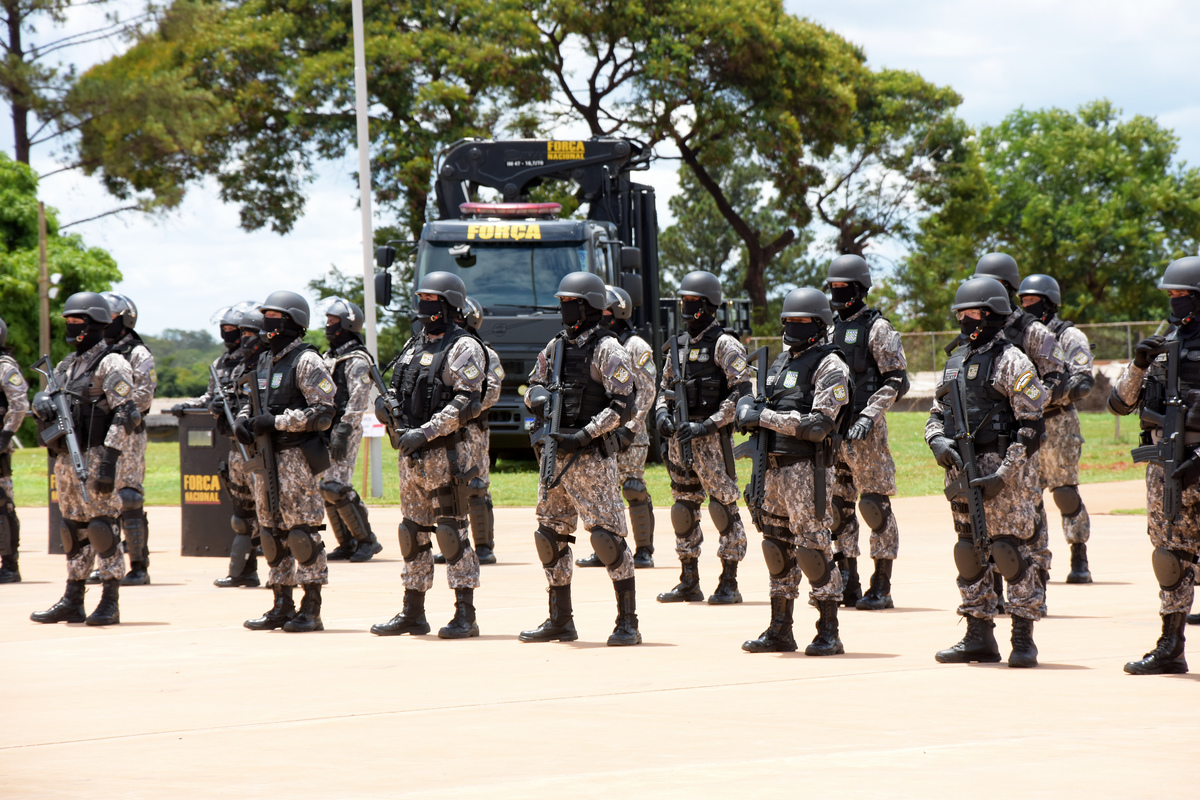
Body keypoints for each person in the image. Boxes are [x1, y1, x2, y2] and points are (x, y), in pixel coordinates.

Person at [926, 277, 1047, 667]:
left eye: (971, 313)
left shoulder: (1013, 360)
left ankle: (1023, 637)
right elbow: (935, 414)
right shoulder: (955, 362)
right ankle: (978, 634)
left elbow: (1032, 428)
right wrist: (937, 442)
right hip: (961, 469)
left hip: (1003, 473)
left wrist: (1004, 474)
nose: (964, 319)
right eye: (960, 313)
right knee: (969, 551)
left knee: (1009, 550)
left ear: (993, 315)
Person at [518, 271, 640, 646]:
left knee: (607, 539)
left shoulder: (609, 349)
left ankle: (627, 622)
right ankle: (560, 620)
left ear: (587, 306)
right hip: (554, 456)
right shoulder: (556, 346)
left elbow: (624, 403)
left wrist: (585, 434)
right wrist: (534, 398)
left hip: (589, 458)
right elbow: (532, 383)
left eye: (569, 302)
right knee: (549, 536)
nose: (562, 308)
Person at [737, 288, 852, 654]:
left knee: (813, 549)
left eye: (801, 322)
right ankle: (780, 629)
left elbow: (819, 424)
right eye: (788, 321)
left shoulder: (831, 364)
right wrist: (745, 406)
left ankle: (828, 631)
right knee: (776, 547)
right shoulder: (780, 361)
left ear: (819, 325)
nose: (792, 328)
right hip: (770, 466)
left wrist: (764, 417)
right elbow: (758, 399)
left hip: (807, 469)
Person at [371, 272, 485, 639]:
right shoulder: (413, 345)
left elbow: (467, 401)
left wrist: (426, 432)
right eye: (420, 298)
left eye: (431, 299)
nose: (424, 306)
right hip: (411, 458)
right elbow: (395, 390)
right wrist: (384, 410)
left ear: (449, 305)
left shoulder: (464, 347)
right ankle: (413, 612)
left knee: (452, 532)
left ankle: (465, 613)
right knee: (413, 532)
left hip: (444, 453)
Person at [1110, 256, 1200, 674]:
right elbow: (1120, 404)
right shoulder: (1163, 345)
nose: (1174, 303)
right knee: (1169, 556)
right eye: (1171, 296)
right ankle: (1171, 646)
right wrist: (1140, 363)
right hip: (1165, 464)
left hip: (1197, 460)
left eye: (1182, 295)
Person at [31, 292, 138, 626]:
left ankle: (109, 600)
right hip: (67, 457)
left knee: (102, 527)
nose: (72, 325)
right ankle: (73, 599)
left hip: (97, 455)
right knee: (72, 530)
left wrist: (108, 461)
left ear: (95, 325)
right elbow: (47, 396)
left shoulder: (112, 363)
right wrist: (40, 401)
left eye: (78, 321)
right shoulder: (66, 364)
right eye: (69, 320)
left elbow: (126, 414)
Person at [234, 291, 336, 633]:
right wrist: (244, 420)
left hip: (296, 457)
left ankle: (310, 608)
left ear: (291, 321)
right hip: (266, 457)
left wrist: (278, 422)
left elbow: (323, 412)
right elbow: (252, 400)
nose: (266, 321)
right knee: (271, 533)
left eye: (273, 316)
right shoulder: (265, 360)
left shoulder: (307, 361)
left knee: (301, 532)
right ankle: (281, 603)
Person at [973, 253, 1065, 611]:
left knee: (1028, 517)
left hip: (1024, 434)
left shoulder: (1033, 331)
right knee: (986, 523)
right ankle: (992, 594)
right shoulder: (979, 325)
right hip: (986, 440)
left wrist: (1030, 403)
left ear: (1009, 288)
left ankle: (1033, 593)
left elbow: (1059, 377)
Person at [654, 270, 751, 605]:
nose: (686, 307)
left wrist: (709, 424)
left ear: (709, 305)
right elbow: (663, 389)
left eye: (693, 301)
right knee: (683, 507)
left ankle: (729, 581)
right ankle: (689, 579)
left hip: (711, 439)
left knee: (723, 508)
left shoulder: (725, 344)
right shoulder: (677, 345)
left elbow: (742, 392)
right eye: (684, 300)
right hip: (680, 440)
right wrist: (662, 415)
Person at [824, 255, 908, 610]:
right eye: (833, 288)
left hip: (867, 435)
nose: (837, 294)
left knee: (874, 505)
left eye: (844, 288)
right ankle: (848, 580)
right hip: (835, 433)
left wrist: (870, 415)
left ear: (859, 289)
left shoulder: (879, 329)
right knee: (838, 507)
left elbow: (896, 380)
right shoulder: (828, 330)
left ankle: (882, 584)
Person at [173, 302, 265, 587]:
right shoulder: (226, 365)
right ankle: (242, 573)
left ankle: (285, 577)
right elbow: (213, 396)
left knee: (273, 515)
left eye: (238, 330)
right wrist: (198, 405)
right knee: (242, 516)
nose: (232, 334)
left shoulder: (265, 363)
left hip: (260, 448)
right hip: (234, 447)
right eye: (225, 329)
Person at [1017, 274, 1096, 583]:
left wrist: (1050, 392)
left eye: (1031, 301)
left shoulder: (1069, 335)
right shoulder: (1022, 334)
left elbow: (1083, 380)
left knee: (1063, 491)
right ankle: (1037, 560)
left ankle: (1079, 556)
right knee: (1029, 494)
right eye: (1022, 301)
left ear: (1048, 303)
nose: (1025, 306)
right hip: (1027, 422)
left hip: (1059, 420)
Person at [576, 285, 656, 569]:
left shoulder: (636, 346)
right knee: (602, 490)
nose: (602, 317)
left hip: (632, 434)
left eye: (606, 312)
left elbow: (647, 391)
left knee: (632, 487)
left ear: (620, 312)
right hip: (603, 431)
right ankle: (605, 549)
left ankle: (644, 549)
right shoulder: (595, 344)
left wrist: (632, 428)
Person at [94, 291, 157, 586]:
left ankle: (139, 565)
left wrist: (113, 404)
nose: (106, 323)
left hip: (128, 432)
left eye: (112, 317)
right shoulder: (94, 352)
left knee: (128, 497)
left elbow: (143, 397)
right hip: (97, 433)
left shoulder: (138, 353)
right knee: (100, 497)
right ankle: (105, 563)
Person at [435, 296, 503, 565]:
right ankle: (455, 543)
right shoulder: (441, 350)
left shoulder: (485, 353)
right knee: (449, 487)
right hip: (445, 430)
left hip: (472, 428)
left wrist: (462, 410)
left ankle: (484, 547)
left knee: (476, 486)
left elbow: (492, 391)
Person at [318, 296, 382, 563]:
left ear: (346, 325)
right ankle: (346, 542)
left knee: (337, 486)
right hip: (324, 429)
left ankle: (367, 541)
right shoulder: (328, 356)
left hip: (345, 428)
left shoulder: (357, 358)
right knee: (325, 486)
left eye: (333, 322)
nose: (328, 326)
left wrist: (344, 429)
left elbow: (357, 397)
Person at [0, 316, 28, 583]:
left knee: (1, 502)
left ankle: (9, 565)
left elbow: (19, 404)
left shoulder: (4, 366)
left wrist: (6, 435)